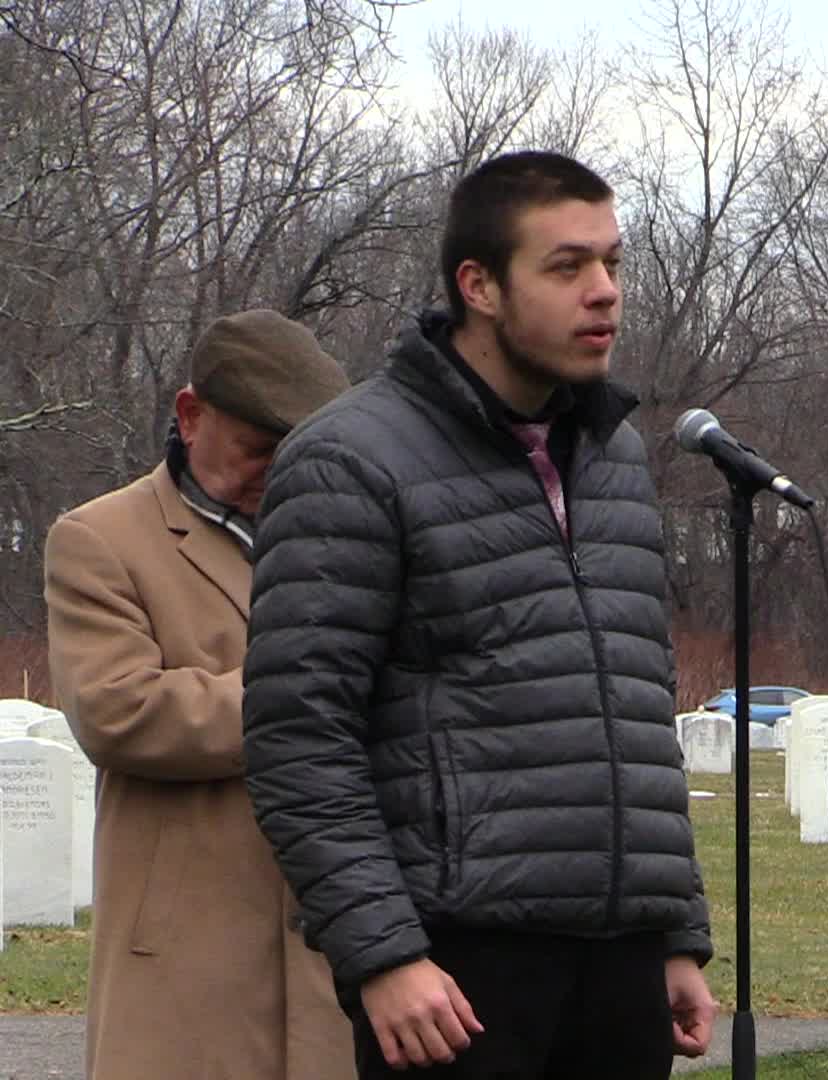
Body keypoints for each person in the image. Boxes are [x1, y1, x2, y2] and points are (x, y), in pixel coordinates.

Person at [242, 150, 717, 1080]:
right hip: (455, 970)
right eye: (567, 266)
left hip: (620, 964)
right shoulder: (352, 458)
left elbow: (631, 706)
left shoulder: (615, 455)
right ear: (479, 286)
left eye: (613, 262)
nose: (604, 291)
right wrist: (383, 956)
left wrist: (672, 932)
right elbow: (300, 734)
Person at [42, 310, 354, 1080]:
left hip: (342, 959)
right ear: (190, 416)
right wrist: (304, 697)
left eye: (297, 451)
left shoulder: (353, 541)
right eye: (257, 448)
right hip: (186, 967)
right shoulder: (101, 540)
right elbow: (119, 711)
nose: (277, 470)